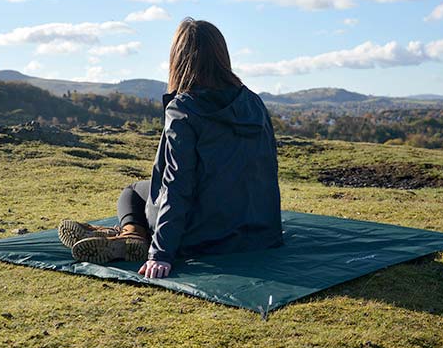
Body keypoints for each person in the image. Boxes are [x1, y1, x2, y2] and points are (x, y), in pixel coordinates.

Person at [58, 17, 283, 278]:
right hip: (257, 231)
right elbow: (267, 169)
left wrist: (161, 253)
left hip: (201, 236)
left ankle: (132, 234)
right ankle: (127, 234)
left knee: (132, 192)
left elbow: (177, 183)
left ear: (179, 57)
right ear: (222, 56)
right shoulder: (254, 102)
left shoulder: (184, 108)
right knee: (146, 191)